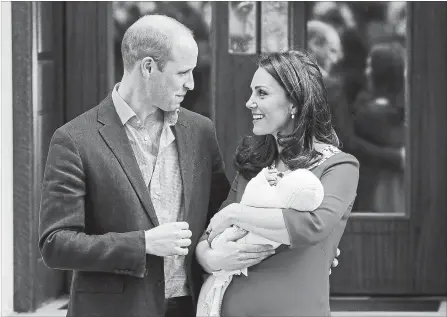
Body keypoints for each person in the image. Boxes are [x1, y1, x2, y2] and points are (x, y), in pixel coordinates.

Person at [38, 15, 235, 317]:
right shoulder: (74, 140)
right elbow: (56, 244)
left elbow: (220, 215)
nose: (192, 84)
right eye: (183, 72)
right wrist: (142, 244)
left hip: (190, 306)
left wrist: (304, 249)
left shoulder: (200, 131)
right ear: (148, 67)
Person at [195, 51, 359, 317]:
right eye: (252, 93)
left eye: (262, 93)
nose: (250, 103)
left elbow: (312, 226)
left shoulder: (339, 167)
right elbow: (211, 232)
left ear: (294, 102)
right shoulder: (255, 166)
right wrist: (210, 258)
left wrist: (236, 214)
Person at [197, 168, 324, 316]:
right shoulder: (288, 214)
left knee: (211, 292)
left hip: (234, 242)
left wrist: (262, 177)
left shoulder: (270, 199)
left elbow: (251, 194)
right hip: (240, 272)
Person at [354, 41, 406, 213]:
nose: (366, 71)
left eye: (370, 66)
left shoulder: (369, 112)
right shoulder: (404, 107)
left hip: (379, 188)